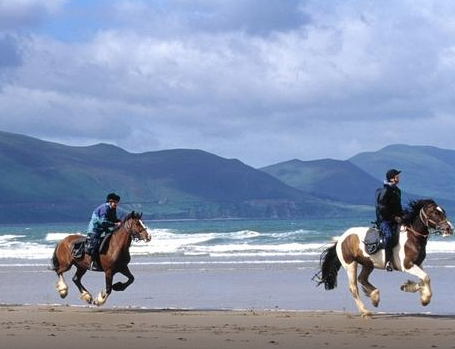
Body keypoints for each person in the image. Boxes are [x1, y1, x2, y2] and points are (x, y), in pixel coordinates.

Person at [375, 169, 403, 272]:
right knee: (389, 236)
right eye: (397, 176)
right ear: (392, 178)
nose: (398, 178)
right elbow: (382, 208)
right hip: (385, 221)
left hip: (395, 220)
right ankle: (388, 262)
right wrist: (393, 217)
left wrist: (404, 216)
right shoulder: (385, 191)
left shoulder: (397, 190)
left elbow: (398, 208)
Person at [85, 193, 122, 270]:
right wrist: (115, 224)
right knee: (95, 245)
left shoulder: (113, 209)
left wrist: (121, 221)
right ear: (110, 201)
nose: (116, 204)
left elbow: (113, 219)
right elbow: (103, 222)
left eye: (117, 202)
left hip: (104, 229)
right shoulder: (104, 208)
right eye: (115, 202)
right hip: (95, 229)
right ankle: (93, 263)